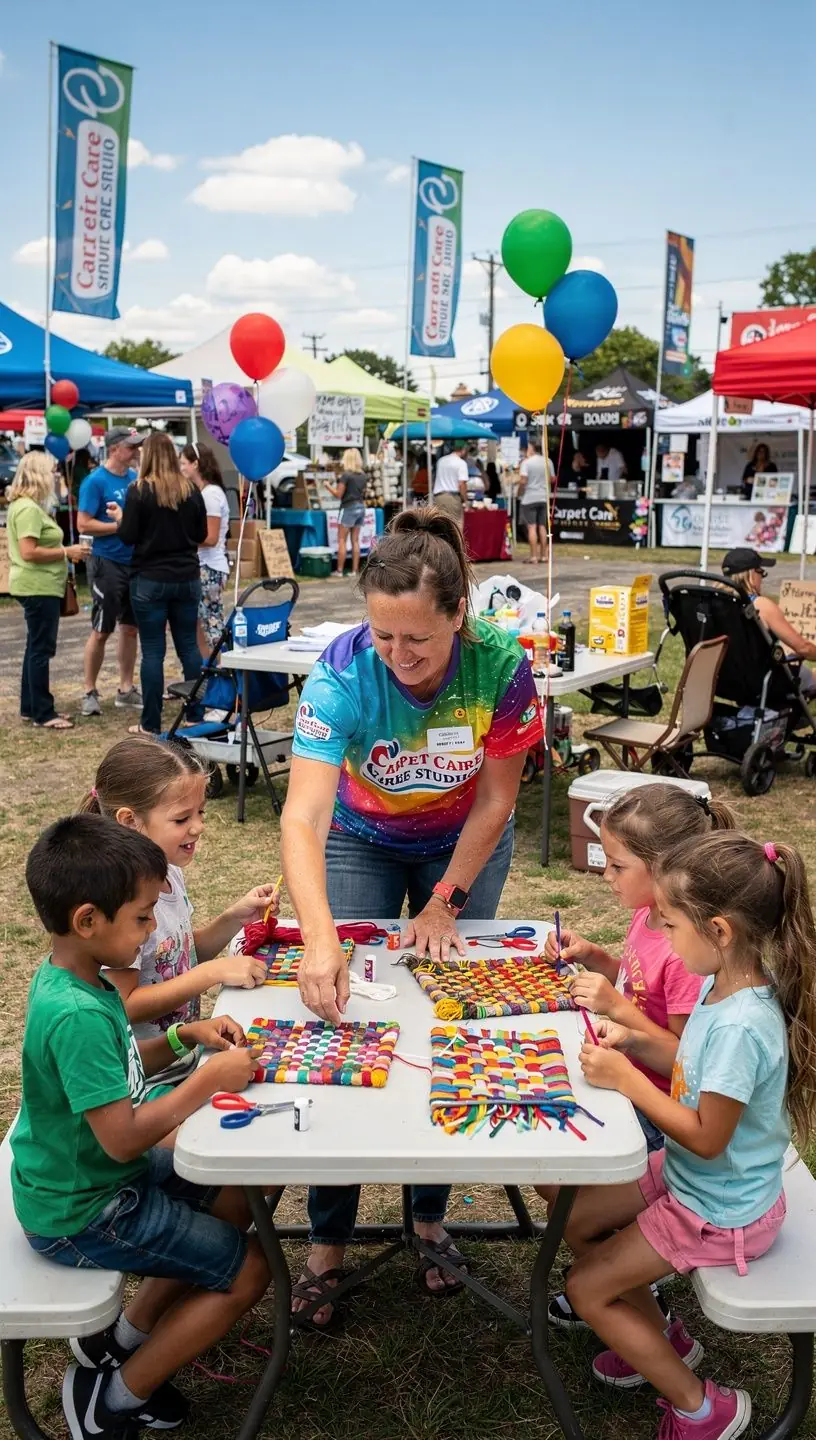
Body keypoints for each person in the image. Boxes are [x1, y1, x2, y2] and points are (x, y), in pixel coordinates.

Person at [280, 507, 543, 1324]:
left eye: (417, 643)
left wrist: (444, 902)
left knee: (446, 1012)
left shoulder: (502, 666)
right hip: (362, 838)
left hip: (459, 846)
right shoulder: (340, 673)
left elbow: (499, 800)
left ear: (458, 614)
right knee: (343, 1017)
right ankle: (328, 1235)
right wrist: (320, 936)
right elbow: (301, 819)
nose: (397, 658)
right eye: (383, 637)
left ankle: (429, 1215)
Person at [11, 813, 270, 1440]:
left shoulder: (84, 980)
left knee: (237, 1191)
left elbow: (119, 1071)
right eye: (143, 917)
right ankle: (114, 1403)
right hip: (84, 1209)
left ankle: (122, 1342)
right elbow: (124, 1134)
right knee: (252, 1272)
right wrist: (206, 1080)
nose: (153, 929)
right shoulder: (76, 1013)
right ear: (88, 921)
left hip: (97, 1178)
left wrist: (186, 1035)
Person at [562, 830, 816, 1440]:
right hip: (694, 1180)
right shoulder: (719, 985)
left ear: (720, 931)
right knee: (576, 1219)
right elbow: (687, 1065)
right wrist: (638, 1041)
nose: (664, 940)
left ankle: (703, 1408)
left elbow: (708, 1139)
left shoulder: (742, 1027)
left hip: (720, 1208)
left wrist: (628, 1080)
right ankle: (658, 1339)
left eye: (670, 926)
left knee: (585, 1289)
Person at [538, 783, 735, 1330]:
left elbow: (685, 1059)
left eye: (617, 865)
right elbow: (631, 980)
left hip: (652, 1109)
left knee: (561, 1182)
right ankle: (618, 1272)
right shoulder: (650, 917)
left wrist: (618, 1008)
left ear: (664, 868)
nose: (606, 875)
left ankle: (624, 1280)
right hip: (623, 1083)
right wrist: (596, 959)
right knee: (547, 1169)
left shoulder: (683, 945)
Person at [83, 735, 278, 1095]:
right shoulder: (122, 903)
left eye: (200, 812)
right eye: (181, 818)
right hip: (145, 1081)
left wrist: (234, 918)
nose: (198, 826)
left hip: (184, 1058)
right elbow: (125, 1005)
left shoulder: (168, 872)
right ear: (130, 821)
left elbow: (179, 954)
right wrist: (211, 974)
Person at [107, 433, 207, 736]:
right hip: (186, 577)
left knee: (153, 652)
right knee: (189, 648)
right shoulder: (191, 489)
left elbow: (127, 536)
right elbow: (202, 532)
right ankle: (195, 715)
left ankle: (150, 722)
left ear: (147, 455)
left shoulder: (139, 491)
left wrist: (123, 518)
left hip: (149, 578)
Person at [7, 451, 87, 730]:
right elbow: (29, 551)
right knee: (41, 649)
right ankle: (43, 711)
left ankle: (31, 706)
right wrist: (67, 551)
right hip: (38, 585)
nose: (55, 476)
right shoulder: (28, 509)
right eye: (51, 471)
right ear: (39, 474)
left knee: (34, 647)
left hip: (35, 584)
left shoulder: (24, 505)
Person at [77, 427, 144, 719]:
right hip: (107, 563)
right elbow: (83, 524)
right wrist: (121, 526)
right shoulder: (95, 482)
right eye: (132, 447)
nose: (137, 451)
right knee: (102, 630)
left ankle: (125, 689)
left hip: (135, 562)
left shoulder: (135, 480)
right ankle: (89, 691)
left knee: (130, 628)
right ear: (115, 448)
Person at [722, 547, 816, 697]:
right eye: (761, 572)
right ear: (751, 574)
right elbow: (803, 648)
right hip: (763, 682)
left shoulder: (715, 604)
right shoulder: (760, 606)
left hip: (724, 680)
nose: (762, 578)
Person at [179, 442, 231, 655]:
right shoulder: (206, 492)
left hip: (209, 565)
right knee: (202, 622)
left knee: (212, 622)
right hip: (207, 564)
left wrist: (181, 539)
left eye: (183, 463)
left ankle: (222, 668)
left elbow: (210, 537)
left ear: (196, 464)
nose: (181, 468)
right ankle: (209, 669)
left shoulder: (210, 495)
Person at [327, 447, 368, 578]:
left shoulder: (346, 475)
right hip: (360, 507)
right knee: (355, 540)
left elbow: (338, 494)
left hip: (347, 507)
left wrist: (327, 486)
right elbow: (364, 493)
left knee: (341, 540)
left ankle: (339, 570)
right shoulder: (363, 475)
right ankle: (355, 570)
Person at [518, 440, 555, 564]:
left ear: (532, 448)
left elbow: (523, 481)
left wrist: (519, 492)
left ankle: (533, 556)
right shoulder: (548, 461)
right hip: (544, 497)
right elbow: (553, 478)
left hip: (530, 497)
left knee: (532, 527)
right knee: (542, 526)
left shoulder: (526, 463)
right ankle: (544, 555)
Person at [432, 442, 469, 525]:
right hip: (452, 498)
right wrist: (465, 500)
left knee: (440, 525)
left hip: (438, 497)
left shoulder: (441, 460)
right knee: (455, 525)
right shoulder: (461, 463)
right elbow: (462, 484)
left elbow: (435, 479)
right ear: (463, 450)